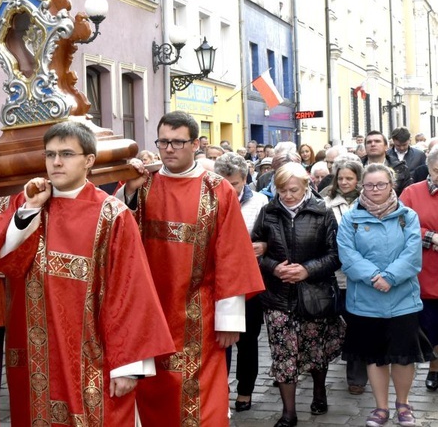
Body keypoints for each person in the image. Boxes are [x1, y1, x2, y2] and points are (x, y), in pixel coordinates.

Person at [0, 121, 175, 425]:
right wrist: (30, 209)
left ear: (89, 160)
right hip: (36, 356)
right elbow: (2, 260)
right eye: (50, 154)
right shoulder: (30, 203)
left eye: (67, 154)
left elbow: (131, 289)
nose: (56, 162)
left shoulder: (112, 214)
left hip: (90, 353)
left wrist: (128, 366)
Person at [117, 111, 265, 427]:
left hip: (199, 311)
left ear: (196, 144)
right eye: (163, 142)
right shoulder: (143, 183)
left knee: (201, 398)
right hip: (149, 309)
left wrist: (229, 318)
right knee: (151, 390)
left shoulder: (217, 189)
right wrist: (128, 192)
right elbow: (118, 233)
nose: (169, 149)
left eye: (177, 142)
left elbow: (232, 254)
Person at [338, 164, 434, 427]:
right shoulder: (351, 218)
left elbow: (412, 255)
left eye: (381, 184)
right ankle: (381, 408)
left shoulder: (407, 216)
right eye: (369, 185)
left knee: (403, 356)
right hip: (365, 301)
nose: (375, 190)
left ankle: (403, 404)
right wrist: (373, 277)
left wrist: (389, 277)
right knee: (375, 356)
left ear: (391, 185)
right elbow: (347, 255)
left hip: (403, 299)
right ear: (362, 187)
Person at [251, 162, 344, 427]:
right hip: (277, 296)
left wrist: (306, 270)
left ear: (306, 186)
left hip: (313, 295)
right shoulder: (268, 212)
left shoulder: (322, 213)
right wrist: (273, 267)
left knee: (315, 350)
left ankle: (319, 390)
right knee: (283, 353)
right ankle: (288, 413)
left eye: (293, 189)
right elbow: (255, 251)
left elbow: (335, 255)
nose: (288, 195)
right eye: (282, 190)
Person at [214, 153, 268, 412]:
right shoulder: (209, 200)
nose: (228, 189)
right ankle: (219, 388)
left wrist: (265, 246)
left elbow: (271, 237)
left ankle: (245, 391)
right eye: (222, 182)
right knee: (219, 341)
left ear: (245, 179)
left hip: (248, 284)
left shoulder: (260, 202)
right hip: (218, 283)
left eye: (233, 184)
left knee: (247, 341)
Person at [323, 157, 368, 395]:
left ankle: (356, 377)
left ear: (358, 179)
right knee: (336, 323)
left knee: (357, 325)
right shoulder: (326, 202)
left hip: (361, 276)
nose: (344, 182)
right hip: (335, 275)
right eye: (340, 178)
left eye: (349, 178)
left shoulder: (368, 201)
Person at [399, 148, 438, 394]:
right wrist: (432, 237)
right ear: (430, 169)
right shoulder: (412, 192)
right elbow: (401, 224)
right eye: (437, 171)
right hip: (424, 272)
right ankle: (433, 369)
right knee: (430, 325)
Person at [362, 130, 412, 196]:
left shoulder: (400, 168)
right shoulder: (357, 168)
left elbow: (407, 194)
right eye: (369, 142)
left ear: (386, 147)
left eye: (377, 141)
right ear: (365, 147)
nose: (373, 144)